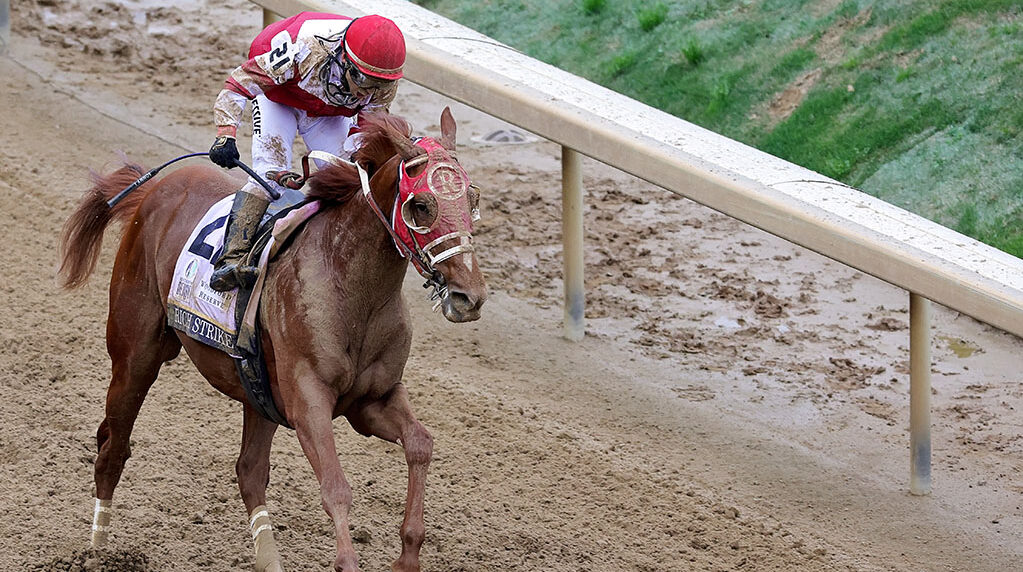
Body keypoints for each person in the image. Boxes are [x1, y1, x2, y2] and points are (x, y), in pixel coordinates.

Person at [207, 11, 406, 291]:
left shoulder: (382, 82)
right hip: (278, 99)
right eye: (363, 81)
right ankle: (230, 258)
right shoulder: (304, 49)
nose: (368, 93)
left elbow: (365, 127)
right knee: (268, 176)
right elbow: (239, 82)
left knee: (352, 178)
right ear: (344, 59)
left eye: (380, 86)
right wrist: (226, 134)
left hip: (328, 112)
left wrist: (359, 158)